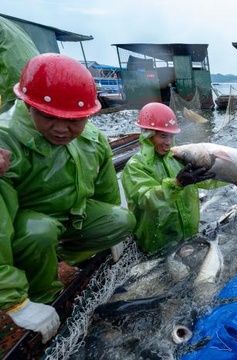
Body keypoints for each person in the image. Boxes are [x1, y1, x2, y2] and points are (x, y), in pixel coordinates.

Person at [0, 53, 136, 343]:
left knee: (121, 220)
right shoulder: (5, 143)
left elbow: (107, 195)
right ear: (27, 105)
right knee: (40, 231)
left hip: (69, 220)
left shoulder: (94, 140)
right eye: (48, 116)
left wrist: (110, 237)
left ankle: (63, 256)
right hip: (23, 232)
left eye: (73, 120)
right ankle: (39, 294)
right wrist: (13, 301)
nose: (61, 130)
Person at [120, 102, 220, 254]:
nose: (168, 142)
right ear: (148, 134)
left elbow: (207, 180)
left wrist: (226, 171)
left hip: (188, 238)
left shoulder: (178, 157)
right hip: (157, 246)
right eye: (163, 136)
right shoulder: (135, 166)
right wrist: (177, 183)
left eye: (171, 136)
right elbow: (146, 199)